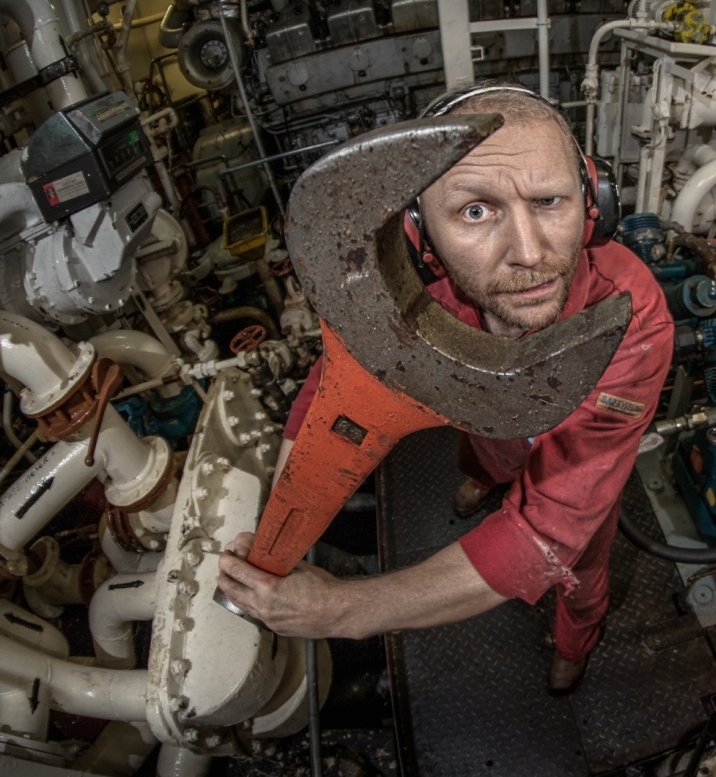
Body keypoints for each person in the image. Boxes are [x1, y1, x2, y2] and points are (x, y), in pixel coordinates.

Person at [216, 83, 672, 694]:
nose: (528, 253)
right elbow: (338, 379)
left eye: (549, 201)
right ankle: (483, 482)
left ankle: (576, 644)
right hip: (489, 435)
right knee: (483, 456)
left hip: (575, 470)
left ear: (594, 202)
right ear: (420, 230)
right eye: (476, 211)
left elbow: (546, 533)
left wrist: (341, 612)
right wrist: (286, 510)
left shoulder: (632, 319)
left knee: (581, 568)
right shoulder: (411, 290)